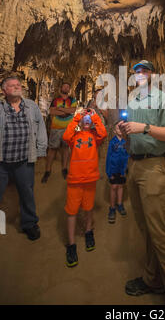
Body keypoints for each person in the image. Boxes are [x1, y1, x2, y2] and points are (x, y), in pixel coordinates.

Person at [118, 60, 165, 305]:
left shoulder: (161, 99)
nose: (140, 74)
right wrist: (122, 130)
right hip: (135, 166)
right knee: (146, 230)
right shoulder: (132, 100)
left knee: (160, 231)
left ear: (153, 75)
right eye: (137, 71)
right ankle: (152, 279)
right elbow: (131, 131)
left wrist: (145, 128)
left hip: (154, 168)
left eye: (145, 71)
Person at [0, 76, 47, 240]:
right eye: (12, 85)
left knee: (27, 192)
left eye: (18, 85)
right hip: (2, 160)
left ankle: (29, 223)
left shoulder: (31, 106)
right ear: (4, 90)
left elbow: (40, 127)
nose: (16, 87)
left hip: (24, 159)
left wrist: (41, 149)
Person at [62, 108, 107, 267]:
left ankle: (88, 232)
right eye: (85, 119)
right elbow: (65, 136)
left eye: (89, 119)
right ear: (80, 122)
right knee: (72, 211)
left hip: (90, 179)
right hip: (75, 179)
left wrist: (94, 116)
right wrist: (76, 118)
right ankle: (71, 244)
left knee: (88, 208)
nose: (87, 120)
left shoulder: (95, 137)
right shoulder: (74, 137)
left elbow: (103, 133)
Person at [41, 82, 77, 183]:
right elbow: (52, 111)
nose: (66, 88)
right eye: (64, 86)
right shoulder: (56, 100)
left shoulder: (72, 99)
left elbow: (73, 110)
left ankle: (64, 168)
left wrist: (60, 109)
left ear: (69, 89)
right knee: (52, 149)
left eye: (68, 87)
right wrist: (66, 111)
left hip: (68, 128)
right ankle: (47, 170)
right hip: (56, 127)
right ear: (61, 88)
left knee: (66, 148)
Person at [105, 121, 129, 224]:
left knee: (120, 186)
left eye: (121, 128)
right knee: (114, 187)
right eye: (118, 128)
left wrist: (125, 169)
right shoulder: (112, 142)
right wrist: (109, 172)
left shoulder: (126, 142)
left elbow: (127, 156)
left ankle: (120, 204)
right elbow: (108, 158)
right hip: (113, 170)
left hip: (122, 170)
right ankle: (112, 207)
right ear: (114, 130)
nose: (120, 130)